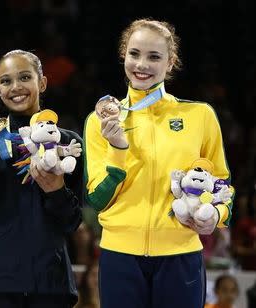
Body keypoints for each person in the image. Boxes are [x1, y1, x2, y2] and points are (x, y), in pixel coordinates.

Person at [83, 18, 234, 308]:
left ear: (170, 62)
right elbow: (98, 199)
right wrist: (117, 148)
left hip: (181, 255)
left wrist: (216, 215)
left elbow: (222, 186)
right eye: (134, 54)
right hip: (119, 256)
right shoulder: (100, 120)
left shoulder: (200, 116)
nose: (142, 65)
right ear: (123, 55)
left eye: (154, 57)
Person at [0, 49, 83, 307]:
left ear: (43, 82)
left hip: (50, 284)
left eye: (25, 77)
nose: (15, 87)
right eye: (6, 81)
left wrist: (56, 190)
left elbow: (72, 222)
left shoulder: (67, 143)